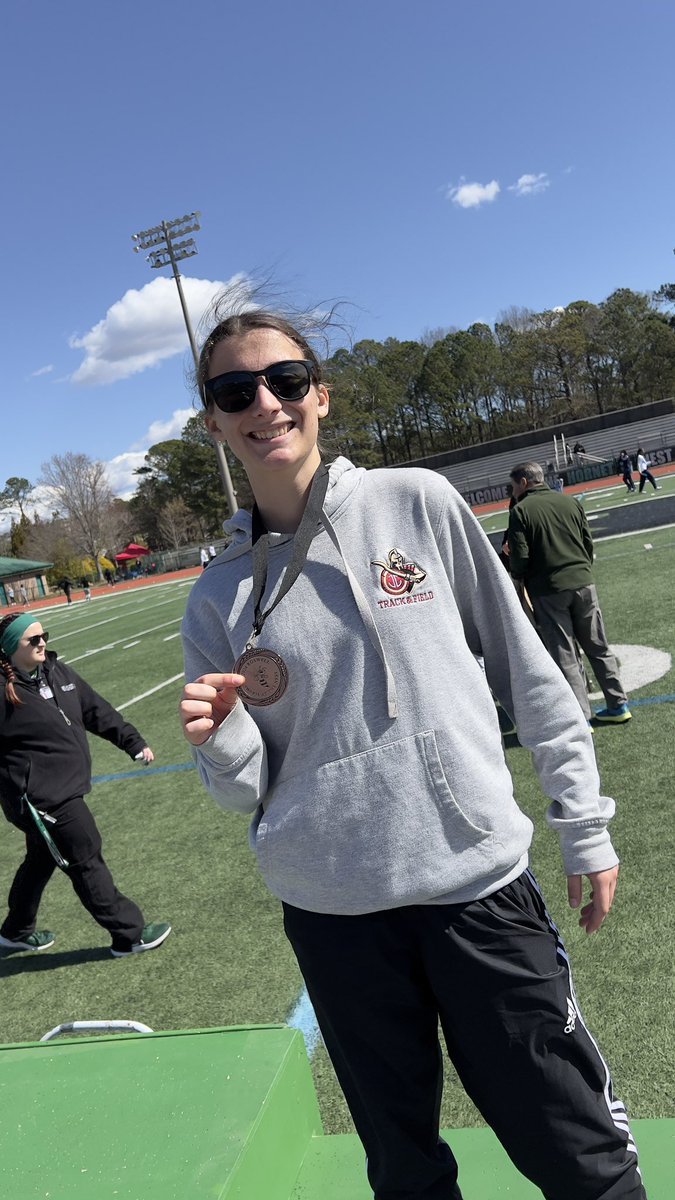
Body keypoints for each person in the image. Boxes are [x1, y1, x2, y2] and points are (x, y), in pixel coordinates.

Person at [179, 307, 644, 1200]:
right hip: (333, 915)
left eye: (283, 381)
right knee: (405, 1174)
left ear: (319, 393)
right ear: (214, 419)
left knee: (579, 1154)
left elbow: (531, 672)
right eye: (236, 391)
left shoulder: (415, 503)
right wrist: (224, 738)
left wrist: (582, 825)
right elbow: (242, 794)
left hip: (472, 886)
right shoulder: (215, 599)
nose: (264, 404)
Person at [0, 612, 171, 958]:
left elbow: (95, 709)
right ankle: (129, 935)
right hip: (42, 798)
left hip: (60, 788)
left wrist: (131, 741)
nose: (42, 642)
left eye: (42, 635)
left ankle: (15, 931)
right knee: (85, 856)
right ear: (8, 648)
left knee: (40, 859)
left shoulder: (54, 671)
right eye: (32, 640)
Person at [508, 462, 631, 725]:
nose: (513, 491)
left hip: (549, 589)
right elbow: (587, 542)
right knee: (598, 646)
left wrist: (519, 575)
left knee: (565, 655)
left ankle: (581, 718)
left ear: (524, 483)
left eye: (514, 485)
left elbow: (520, 557)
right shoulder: (570, 502)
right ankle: (619, 704)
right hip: (584, 582)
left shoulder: (521, 510)